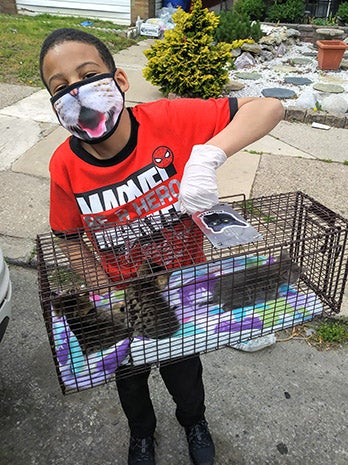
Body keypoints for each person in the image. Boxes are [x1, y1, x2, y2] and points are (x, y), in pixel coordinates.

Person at [39, 28, 284, 465]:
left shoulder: (169, 119)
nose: (76, 91)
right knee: (130, 376)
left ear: (120, 80)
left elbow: (269, 106)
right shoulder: (64, 164)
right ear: (55, 104)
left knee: (183, 368)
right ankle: (142, 435)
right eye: (60, 88)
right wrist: (112, 290)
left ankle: (194, 420)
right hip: (127, 294)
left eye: (88, 74)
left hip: (185, 283)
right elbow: (67, 238)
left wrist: (210, 154)